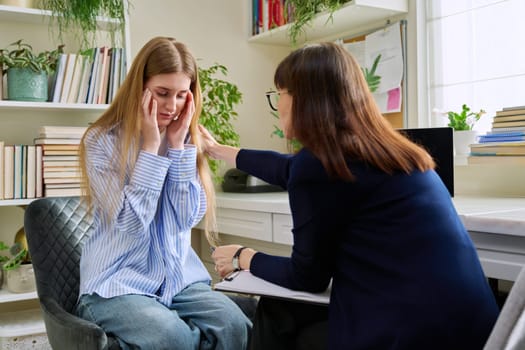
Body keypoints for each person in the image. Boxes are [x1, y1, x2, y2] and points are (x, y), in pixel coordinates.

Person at [201, 42, 499, 350]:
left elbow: (307, 277)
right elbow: (290, 169)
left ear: (302, 99)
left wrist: (243, 257)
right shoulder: (395, 153)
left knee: (276, 314)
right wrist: (219, 150)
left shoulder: (320, 165)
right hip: (475, 331)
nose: (279, 102)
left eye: (280, 92)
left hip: (411, 336)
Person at [75, 36, 251, 350]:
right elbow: (130, 223)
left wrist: (180, 147)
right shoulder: (100, 142)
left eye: (182, 95)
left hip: (179, 279)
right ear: (139, 89)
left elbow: (186, 219)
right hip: (117, 283)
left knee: (235, 325)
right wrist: (152, 151)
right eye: (162, 93)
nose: (172, 107)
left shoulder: (185, 139)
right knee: (174, 338)